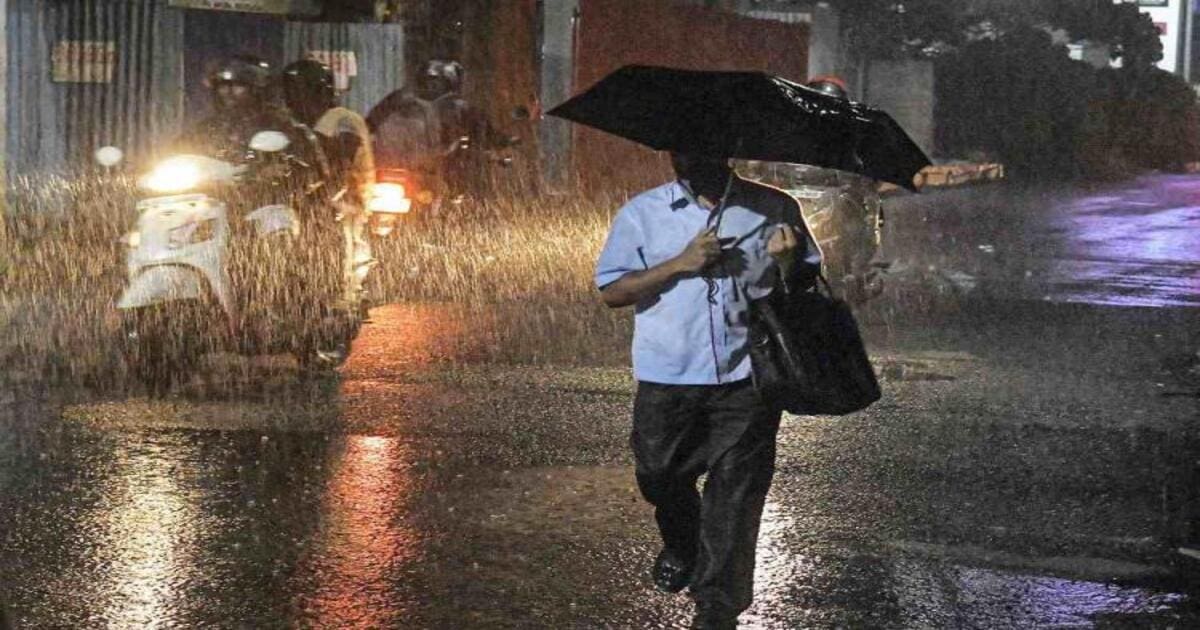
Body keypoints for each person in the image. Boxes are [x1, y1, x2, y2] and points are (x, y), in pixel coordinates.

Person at [595, 153, 822, 629]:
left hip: (749, 377)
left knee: (736, 499)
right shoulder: (643, 212)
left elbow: (808, 282)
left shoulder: (773, 207)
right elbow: (613, 291)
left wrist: (789, 263)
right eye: (681, 148)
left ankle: (717, 607)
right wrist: (680, 263)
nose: (689, 158)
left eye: (701, 145)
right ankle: (683, 542)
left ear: (725, 150)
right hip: (667, 374)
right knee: (658, 476)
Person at [282, 58, 377, 308]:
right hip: (308, 193)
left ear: (320, 91)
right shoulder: (291, 122)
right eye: (290, 90)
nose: (293, 97)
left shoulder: (342, 118)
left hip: (344, 197)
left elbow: (340, 163)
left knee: (328, 228)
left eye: (301, 89)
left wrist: (315, 188)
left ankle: (337, 302)